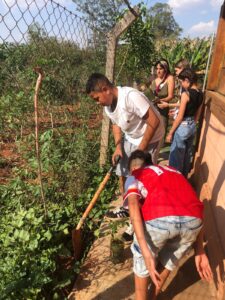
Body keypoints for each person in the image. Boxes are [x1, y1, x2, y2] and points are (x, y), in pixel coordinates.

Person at [124, 150, 212, 300]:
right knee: (168, 261)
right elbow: (190, 206)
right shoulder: (173, 170)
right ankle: (152, 297)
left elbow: (133, 205)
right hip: (194, 221)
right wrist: (199, 249)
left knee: (143, 266)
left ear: (133, 168)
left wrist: (145, 252)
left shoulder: (135, 175)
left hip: (160, 216)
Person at [86, 73, 164, 240]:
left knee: (142, 179)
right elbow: (116, 125)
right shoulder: (108, 106)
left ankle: (138, 222)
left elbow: (155, 121)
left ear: (105, 89)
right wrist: (118, 147)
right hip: (131, 136)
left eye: (96, 98)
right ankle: (128, 207)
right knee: (122, 173)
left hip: (150, 137)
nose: (97, 103)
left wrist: (141, 150)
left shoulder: (130, 97)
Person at [166, 68, 203, 177]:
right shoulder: (201, 94)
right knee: (187, 156)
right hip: (192, 127)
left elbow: (180, 116)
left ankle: (176, 182)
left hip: (182, 126)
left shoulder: (186, 94)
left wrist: (170, 133)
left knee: (176, 157)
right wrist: (192, 124)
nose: (181, 84)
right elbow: (197, 114)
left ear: (187, 80)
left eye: (182, 81)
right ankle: (184, 179)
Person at [148, 59, 175, 136]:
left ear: (165, 69)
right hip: (152, 108)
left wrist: (160, 100)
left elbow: (171, 96)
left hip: (163, 108)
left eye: (161, 69)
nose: (158, 71)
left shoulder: (170, 78)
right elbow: (149, 92)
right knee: (151, 130)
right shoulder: (153, 79)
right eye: (157, 69)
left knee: (161, 130)